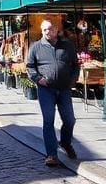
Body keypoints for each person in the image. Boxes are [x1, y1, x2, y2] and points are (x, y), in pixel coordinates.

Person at [26, 19, 79, 167]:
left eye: (50, 29)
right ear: (42, 31)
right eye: (45, 30)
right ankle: (51, 155)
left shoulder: (67, 45)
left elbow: (75, 65)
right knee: (48, 121)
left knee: (70, 120)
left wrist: (72, 81)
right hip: (46, 90)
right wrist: (38, 79)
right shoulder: (36, 47)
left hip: (64, 89)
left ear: (56, 30)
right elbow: (30, 67)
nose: (48, 32)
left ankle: (66, 143)